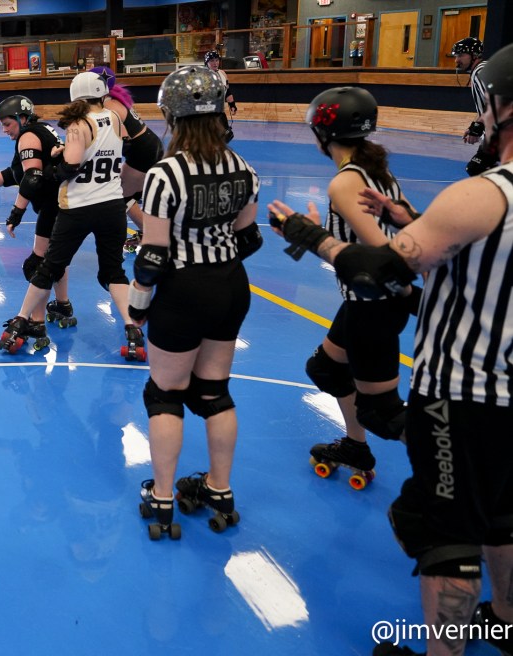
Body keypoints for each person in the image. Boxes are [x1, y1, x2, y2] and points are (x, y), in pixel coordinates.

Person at [269, 42, 513, 656]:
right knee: (501, 512)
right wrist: (407, 216)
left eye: (485, 106)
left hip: (463, 387)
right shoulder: (433, 190)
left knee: (441, 526)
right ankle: (506, 619)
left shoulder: (487, 192)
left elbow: (381, 271)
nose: (478, 119)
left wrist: (307, 235)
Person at [132, 66, 261, 541]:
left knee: (164, 394)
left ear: (173, 117)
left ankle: (162, 497)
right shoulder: (243, 167)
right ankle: (220, 489)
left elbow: (152, 257)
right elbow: (248, 240)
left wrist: (139, 307)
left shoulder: (166, 174)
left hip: (184, 291)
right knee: (214, 392)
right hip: (231, 285)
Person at [285, 87, 418, 490]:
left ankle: (466, 470)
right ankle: (355, 447)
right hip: (365, 302)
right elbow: (405, 229)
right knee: (325, 368)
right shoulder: (377, 170)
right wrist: (323, 233)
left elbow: (378, 262)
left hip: (372, 305)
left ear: (322, 135)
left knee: (385, 413)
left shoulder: (344, 182)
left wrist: (310, 238)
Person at [0, 72, 137, 356]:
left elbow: (69, 167)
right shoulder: (116, 119)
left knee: (48, 267)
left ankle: (22, 320)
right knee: (113, 272)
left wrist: (54, 164)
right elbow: (111, 150)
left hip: (79, 207)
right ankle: (132, 327)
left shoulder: (78, 125)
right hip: (112, 205)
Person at [0, 94, 74, 336]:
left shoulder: (28, 136)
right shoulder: (41, 131)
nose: (4, 130)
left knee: (38, 266)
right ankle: (62, 306)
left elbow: (31, 179)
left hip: (54, 207)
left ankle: (36, 321)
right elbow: (15, 173)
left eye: (7, 123)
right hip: (62, 204)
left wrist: (16, 213)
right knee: (55, 260)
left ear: (22, 118)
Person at [88, 66, 165, 251]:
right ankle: (152, 229)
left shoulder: (107, 106)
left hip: (141, 150)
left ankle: (150, 234)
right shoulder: (114, 100)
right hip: (149, 145)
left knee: (121, 194)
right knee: (133, 193)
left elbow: (121, 137)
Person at [451, 37, 497, 176]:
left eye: (460, 55)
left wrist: (477, 127)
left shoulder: (480, 72)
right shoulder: (484, 69)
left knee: (476, 168)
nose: (456, 60)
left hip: (500, 133)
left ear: (474, 55)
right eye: (456, 56)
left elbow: (496, 103)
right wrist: (474, 126)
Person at [204, 50, 238, 143]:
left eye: (216, 60)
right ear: (206, 63)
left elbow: (227, 92)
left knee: (226, 137)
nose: (215, 63)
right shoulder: (203, 76)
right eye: (212, 61)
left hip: (220, 112)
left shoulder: (222, 74)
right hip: (206, 114)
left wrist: (232, 105)